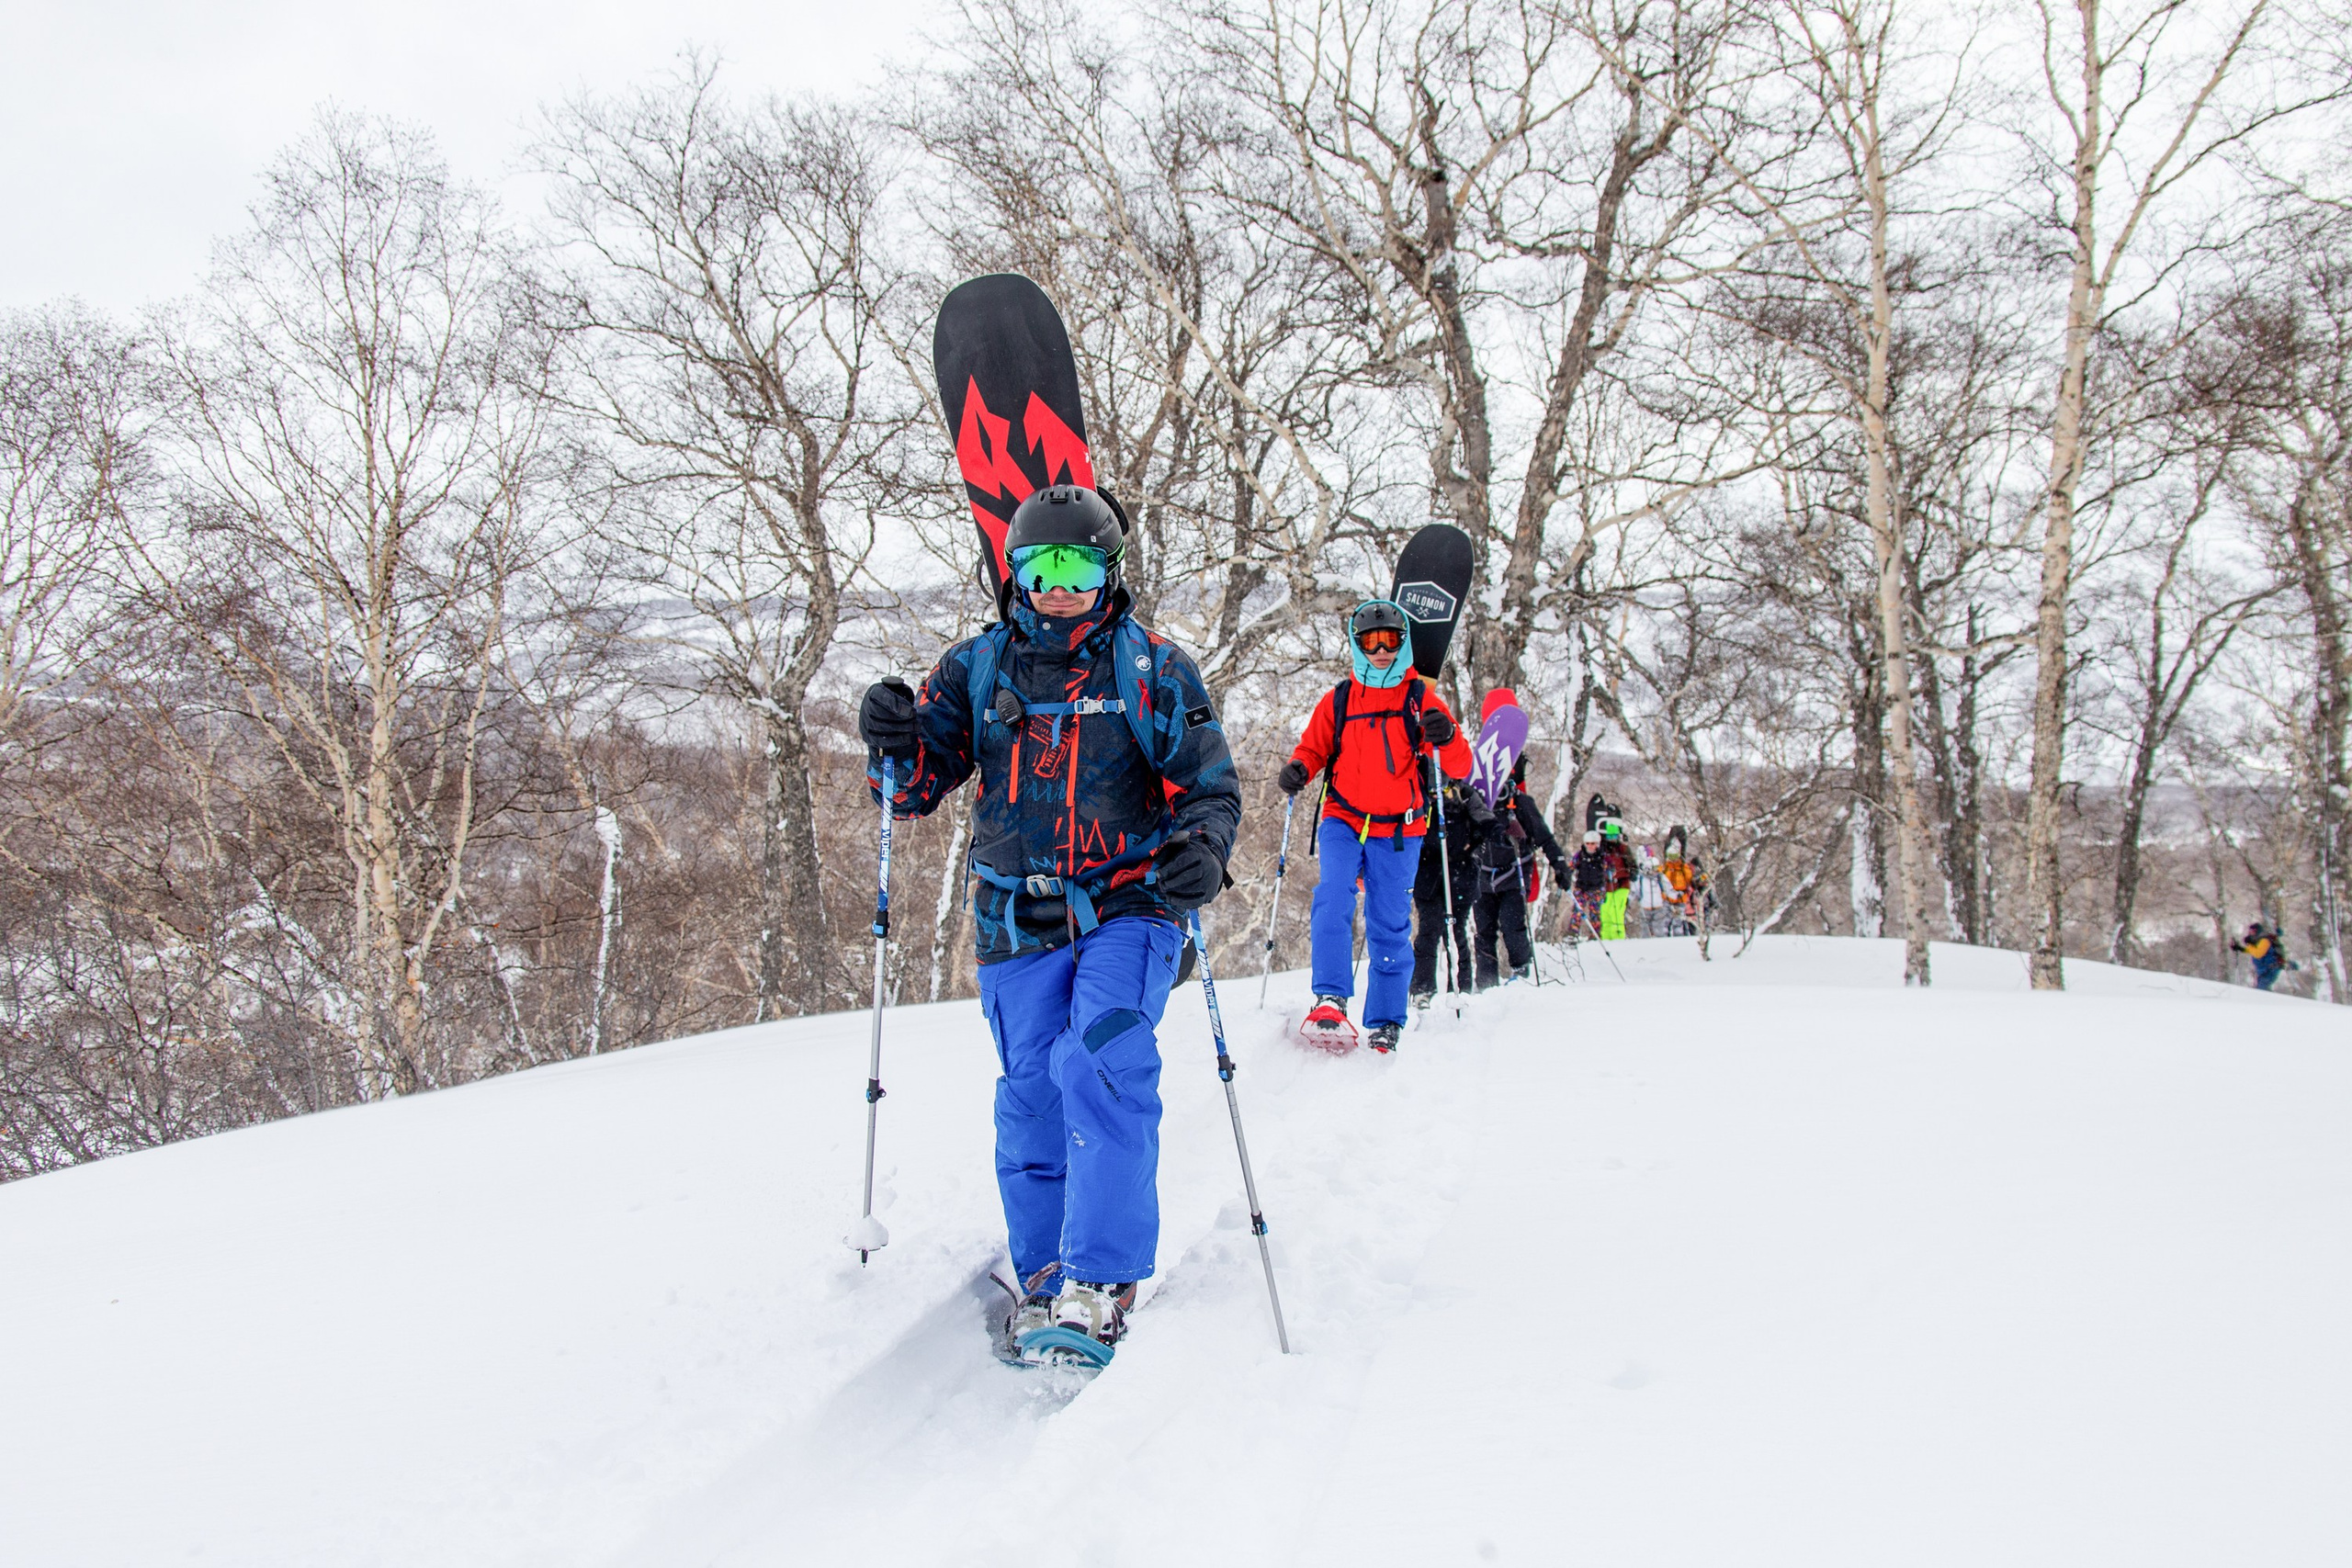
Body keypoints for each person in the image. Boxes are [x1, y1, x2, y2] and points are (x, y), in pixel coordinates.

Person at [857, 484, 1241, 1363]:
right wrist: (890, 740)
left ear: (1108, 573)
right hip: (1013, 917)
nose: (1059, 585)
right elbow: (912, 788)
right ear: (1016, 574)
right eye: (1040, 567)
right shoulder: (975, 669)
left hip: (1131, 903)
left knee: (1101, 1056)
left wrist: (1204, 850)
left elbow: (1210, 787)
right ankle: (1043, 1277)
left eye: (1078, 566)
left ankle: (1100, 1282)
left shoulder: (1151, 669)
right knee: (1031, 1089)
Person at [1277, 600, 1473, 1052]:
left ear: (1403, 643)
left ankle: (1386, 1020)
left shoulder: (1420, 699)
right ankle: (1330, 997)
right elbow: (1314, 748)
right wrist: (1299, 769)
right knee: (1333, 896)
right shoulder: (1341, 698)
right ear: (1356, 643)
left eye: (1389, 641)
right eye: (1370, 641)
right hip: (1343, 817)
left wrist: (1447, 736)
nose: (1381, 650)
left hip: (1400, 831)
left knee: (1389, 923)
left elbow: (1461, 766)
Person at [1468, 755, 1568, 987]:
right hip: (1482, 877)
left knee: (1512, 925)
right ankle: (1486, 983)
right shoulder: (1475, 802)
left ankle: (1520, 973)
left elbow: (1545, 837)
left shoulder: (1521, 803)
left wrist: (1559, 865)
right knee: (1484, 932)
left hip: (1514, 874)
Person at [1409, 776, 1480, 1003]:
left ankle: (1461, 987)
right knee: (1429, 929)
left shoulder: (1465, 795)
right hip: (1427, 876)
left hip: (1459, 875)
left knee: (1455, 931)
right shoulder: (1417, 793)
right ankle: (1422, 989)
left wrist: (1470, 847)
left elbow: (1484, 822)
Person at [1567, 829, 1611, 940]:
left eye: (1593, 844)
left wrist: (1609, 872)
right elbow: (1571, 867)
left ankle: (1595, 935)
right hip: (1581, 887)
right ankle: (1573, 933)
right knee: (1578, 911)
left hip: (1596, 888)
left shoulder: (1602, 856)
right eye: (1588, 844)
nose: (1590, 846)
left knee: (1595, 912)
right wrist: (1566, 875)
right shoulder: (1580, 855)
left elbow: (1611, 869)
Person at [2231, 922, 2296, 991]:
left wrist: (2249, 944)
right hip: (2264, 970)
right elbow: (2253, 950)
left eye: (2253, 931)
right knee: (2262, 989)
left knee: (2262, 990)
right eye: (2250, 931)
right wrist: (2240, 948)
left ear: (2258, 931)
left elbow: (2258, 954)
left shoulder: (2264, 941)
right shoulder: (2258, 940)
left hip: (2271, 969)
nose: (2251, 933)